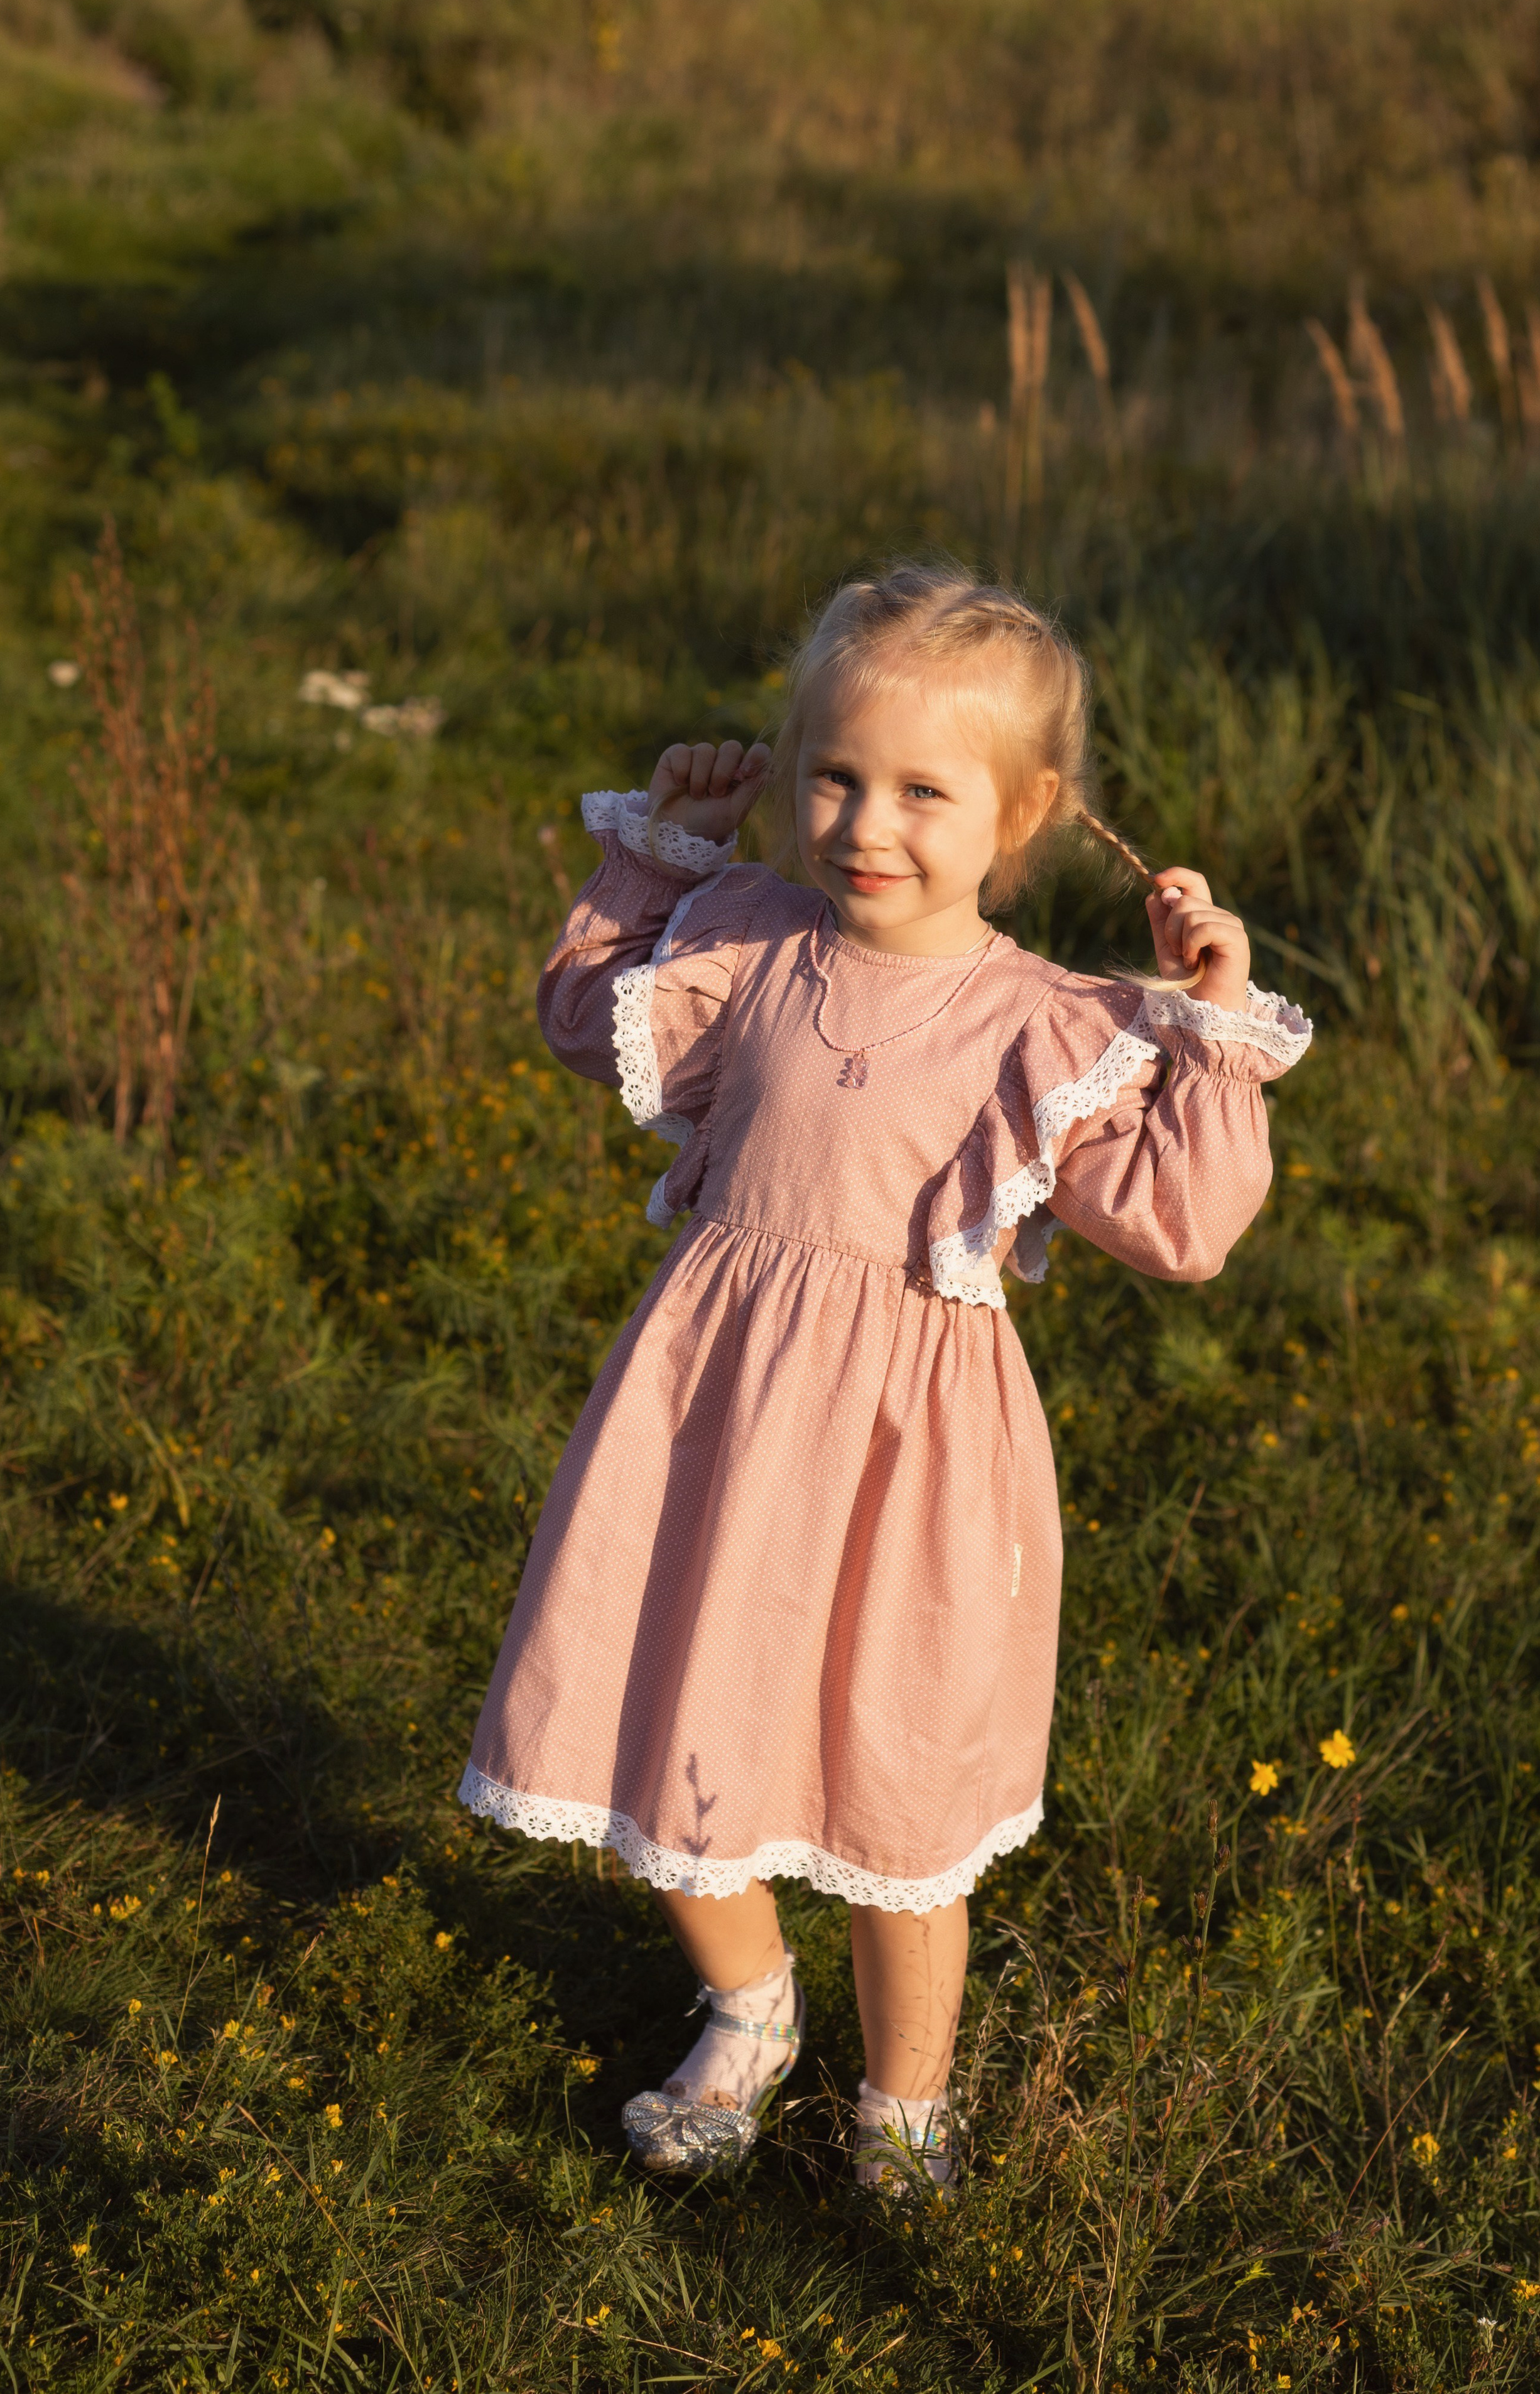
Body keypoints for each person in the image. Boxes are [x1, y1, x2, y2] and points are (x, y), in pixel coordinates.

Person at [458, 563, 1311, 2188]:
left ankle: (906, 2097)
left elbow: (1182, 1227)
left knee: (897, 1778)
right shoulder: (748, 938)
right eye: (835, 774)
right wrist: (649, 852)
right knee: (670, 1703)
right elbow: (586, 1021)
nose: (867, 821)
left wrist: (1210, 1030)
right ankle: (752, 2006)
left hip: (908, 1457)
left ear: (1024, 811)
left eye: (926, 791)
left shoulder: (1049, 1028)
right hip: (709, 1408)